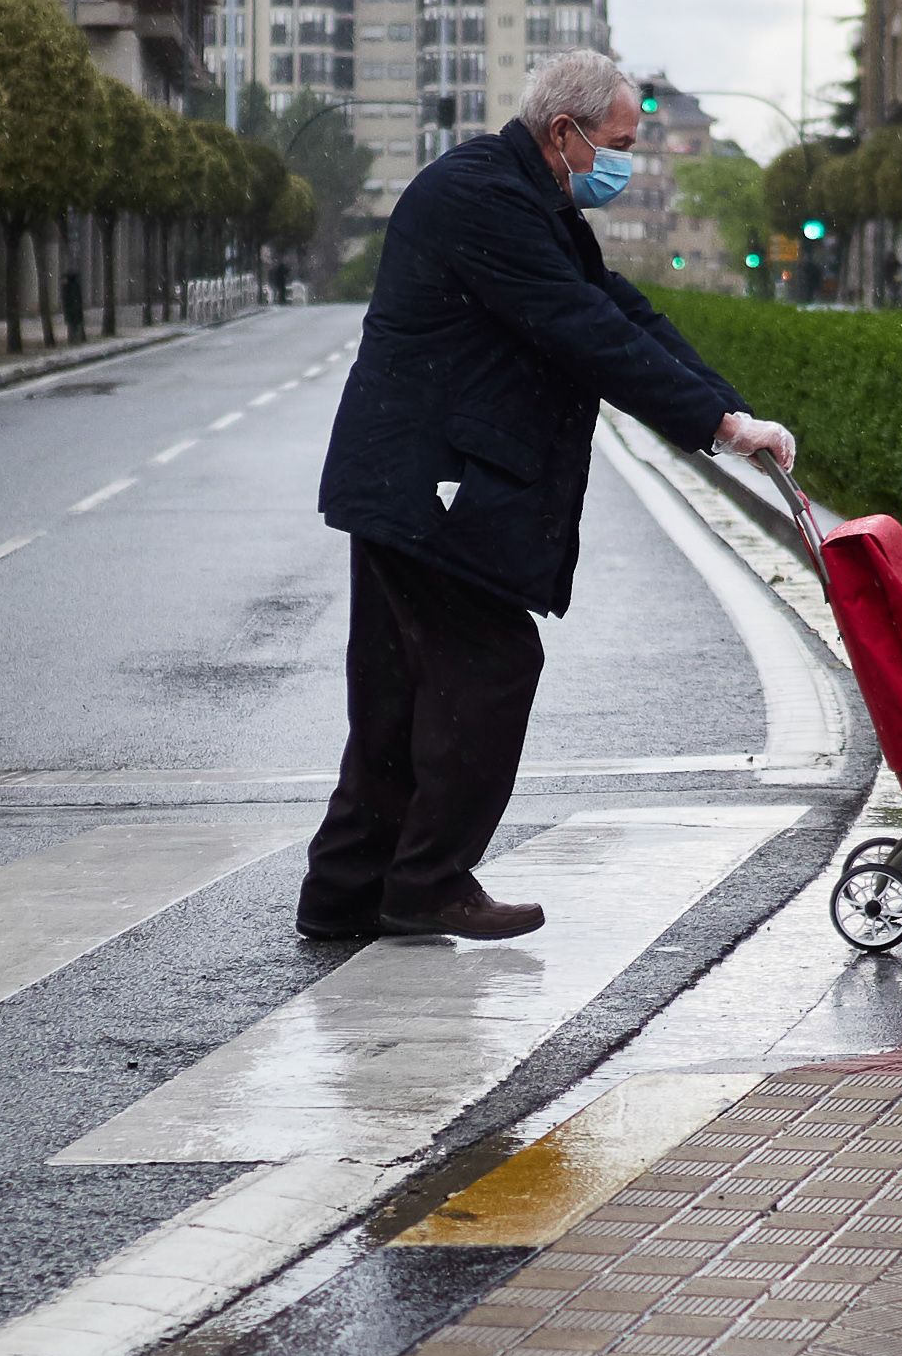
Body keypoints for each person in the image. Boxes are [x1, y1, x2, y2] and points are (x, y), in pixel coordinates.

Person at [303, 53, 798, 942]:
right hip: (429, 484)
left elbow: (617, 307)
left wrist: (730, 411)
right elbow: (579, 331)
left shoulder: (532, 197)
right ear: (563, 133)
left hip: (406, 478)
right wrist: (720, 430)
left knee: (398, 691)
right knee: (488, 669)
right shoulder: (483, 197)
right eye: (619, 144)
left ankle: (346, 890)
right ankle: (425, 882)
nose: (627, 164)